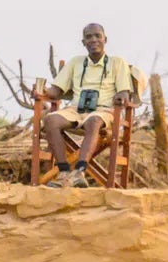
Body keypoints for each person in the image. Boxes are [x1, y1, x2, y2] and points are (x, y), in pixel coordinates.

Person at [41, 22, 139, 186]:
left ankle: (79, 172)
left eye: (97, 36)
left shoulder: (117, 62)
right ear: (83, 42)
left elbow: (124, 92)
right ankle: (64, 173)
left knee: (93, 121)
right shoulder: (76, 62)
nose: (93, 40)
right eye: (88, 37)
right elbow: (56, 91)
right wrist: (42, 91)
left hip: (104, 111)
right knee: (51, 120)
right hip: (76, 109)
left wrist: (120, 99)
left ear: (105, 39)